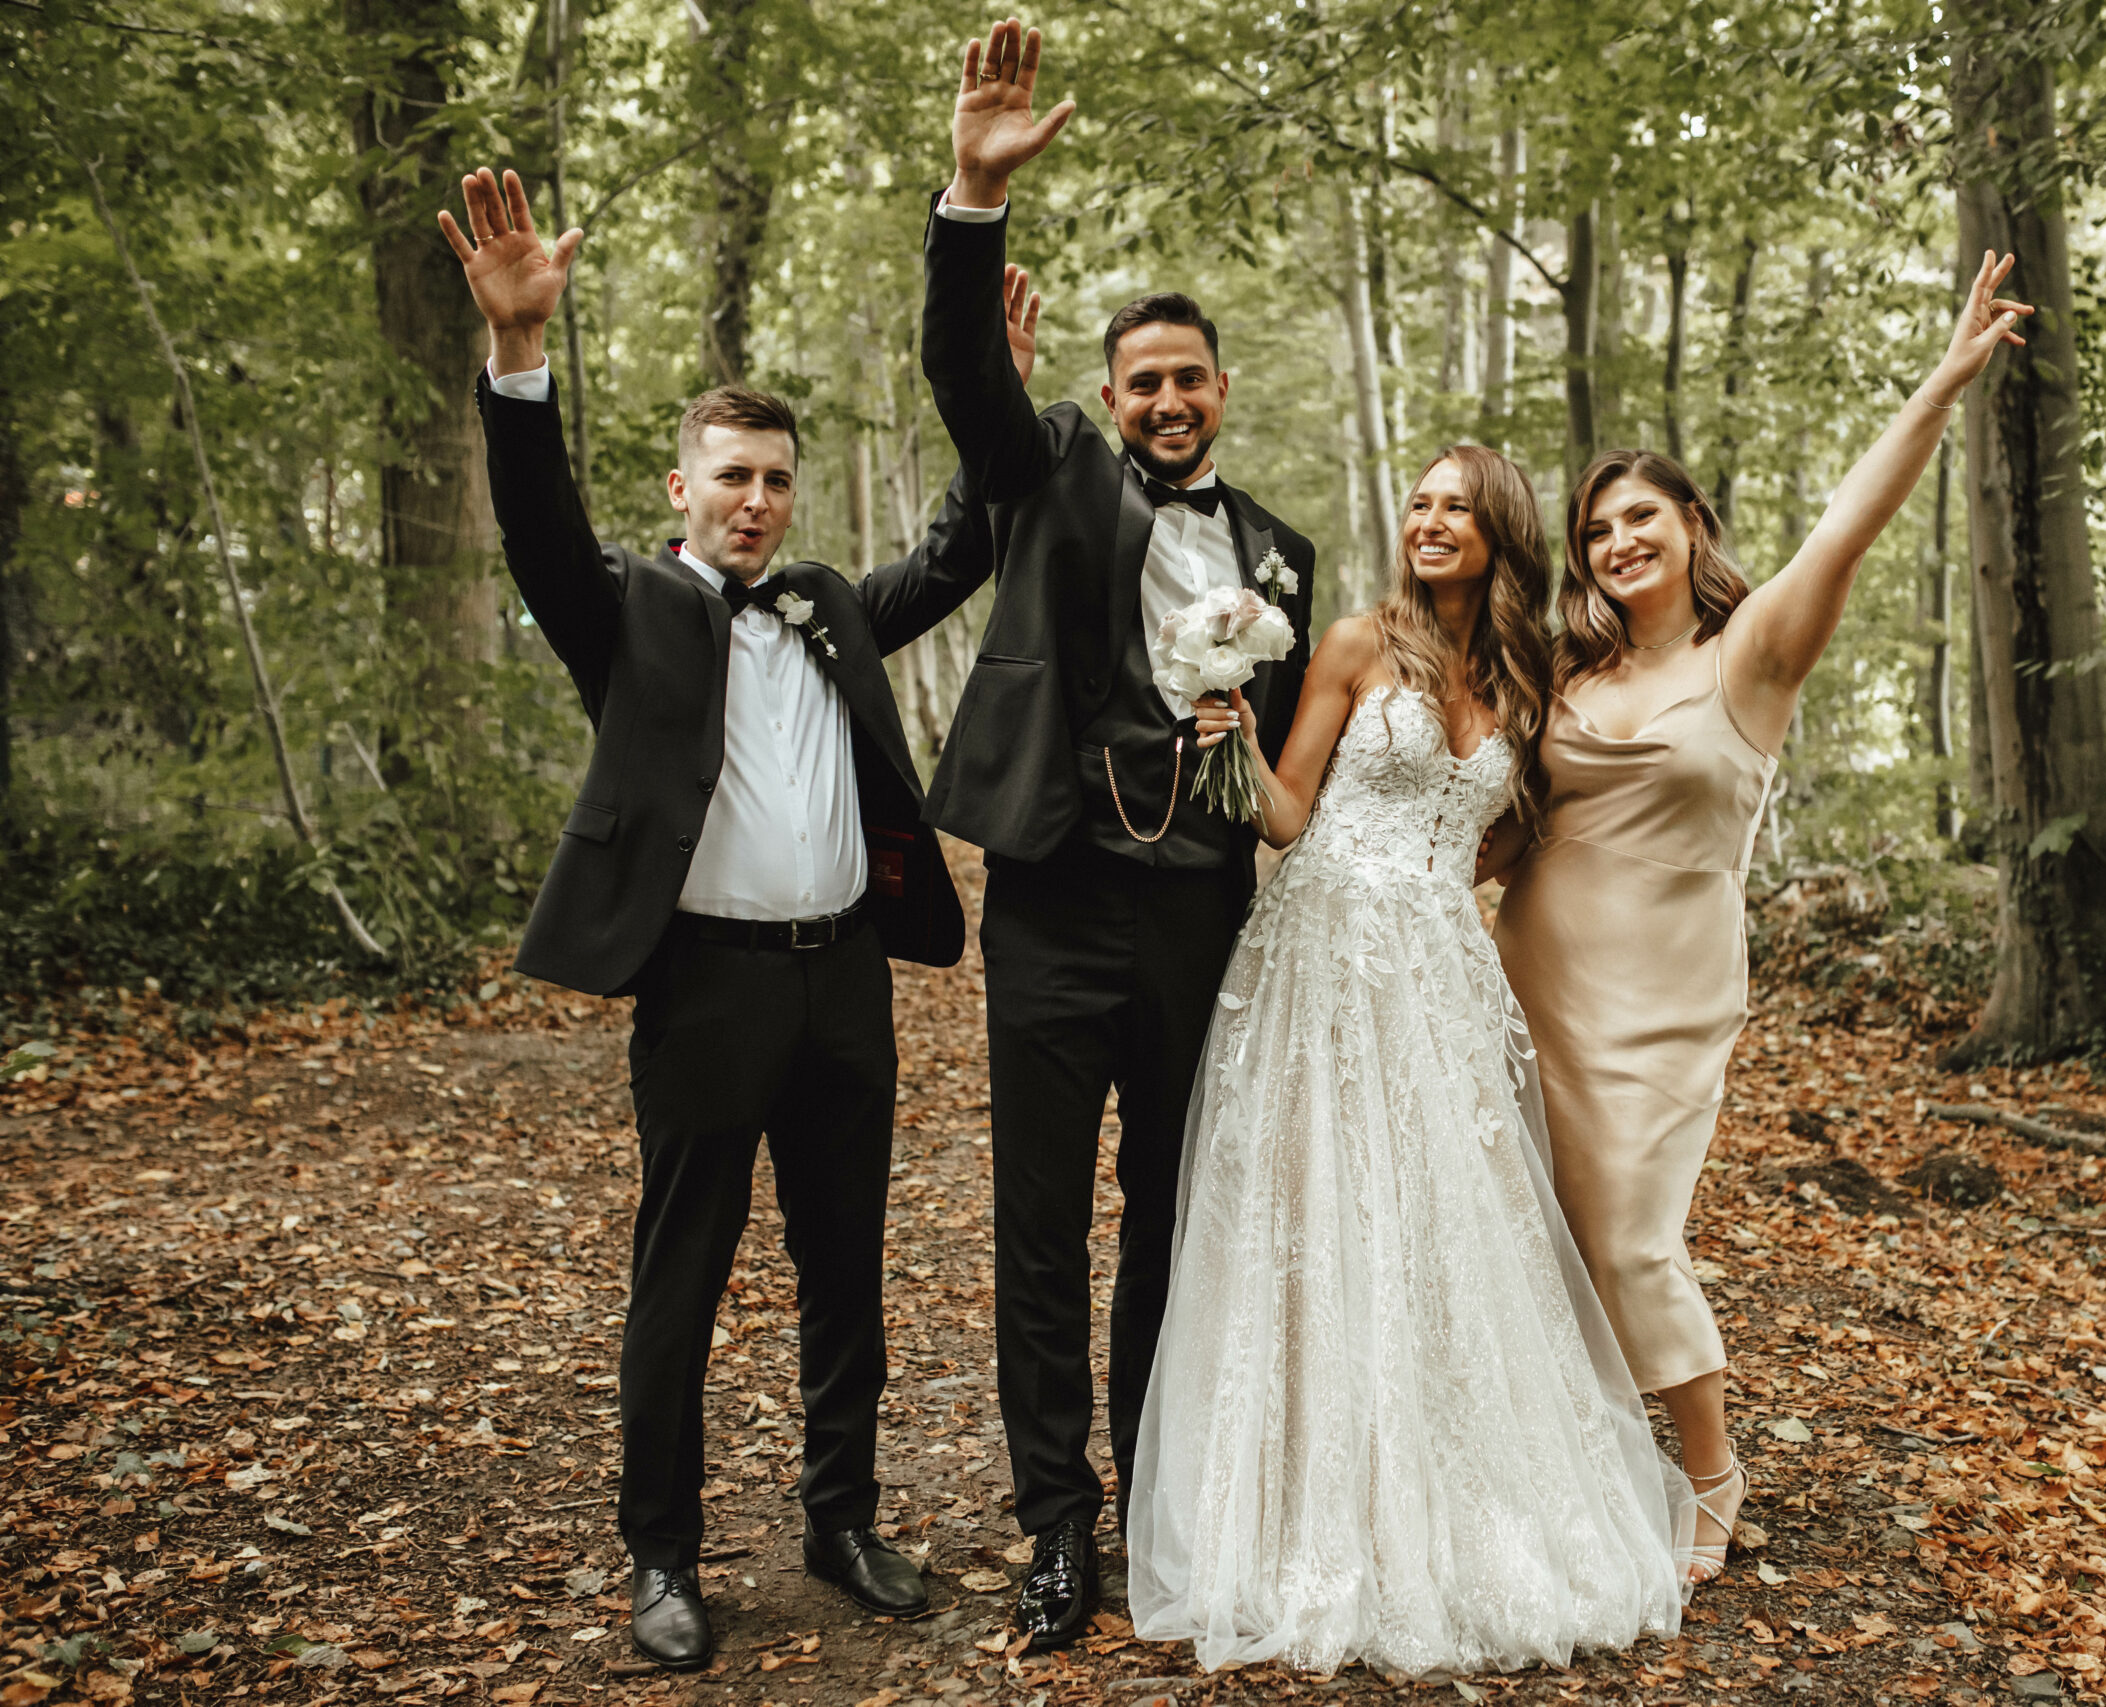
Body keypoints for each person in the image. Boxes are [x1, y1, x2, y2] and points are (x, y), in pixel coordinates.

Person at [438, 167, 1040, 1669]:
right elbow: (535, 529)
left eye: (774, 477)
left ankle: (842, 1518)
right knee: (683, 1276)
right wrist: (518, 352)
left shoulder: (831, 605)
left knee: (845, 1271)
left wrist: (996, 402)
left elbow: (961, 547)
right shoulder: (625, 608)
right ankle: (663, 1555)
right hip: (704, 989)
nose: (756, 499)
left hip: (846, 983)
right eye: (731, 477)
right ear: (682, 488)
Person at [1491, 251, 2034, 1582]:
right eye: (1596, 530)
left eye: (1640, 517)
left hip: (1666, 994)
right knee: (1539, 1227)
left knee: (1631, 1232)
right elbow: (1495, 818)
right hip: (1529, 970)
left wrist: (1943, 382)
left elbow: (1850, 518)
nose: (1617, 544)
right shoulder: (1563, 666)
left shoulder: (1757, 652)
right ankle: (1567, 1458)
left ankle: (1712, 1469)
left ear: (1692, 523)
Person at [1129, 447, 1689, 1678]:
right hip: (1321, 958)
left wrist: (1446, 884)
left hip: (1438, 970)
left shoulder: (1533, 675)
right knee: (1323, 1215)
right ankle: (1312, 1512)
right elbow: (1286, 815)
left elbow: (1517, 830)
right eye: (1421, 504)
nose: (1430, 522)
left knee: (1444, 1224)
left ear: (1501, 532)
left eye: (1457, 508)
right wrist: (1227, 729)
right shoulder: (1353, 642)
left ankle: (1457, 1498)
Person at [916, 18, 1319, 1652]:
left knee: (1172, 1209)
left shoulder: (1282, 552)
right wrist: (972, 197)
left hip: (1199, 905)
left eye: (1187, 377)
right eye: (1140, 378)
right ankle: (1056, 1524)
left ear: (1223, 391)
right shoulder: (1054, 469)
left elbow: (1291, 763)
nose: (1165, 398)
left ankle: (1157, 1489)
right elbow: (967, 381)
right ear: (1108, 395)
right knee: (1039, 1222)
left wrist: (1247, 759)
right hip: (1053, 897)